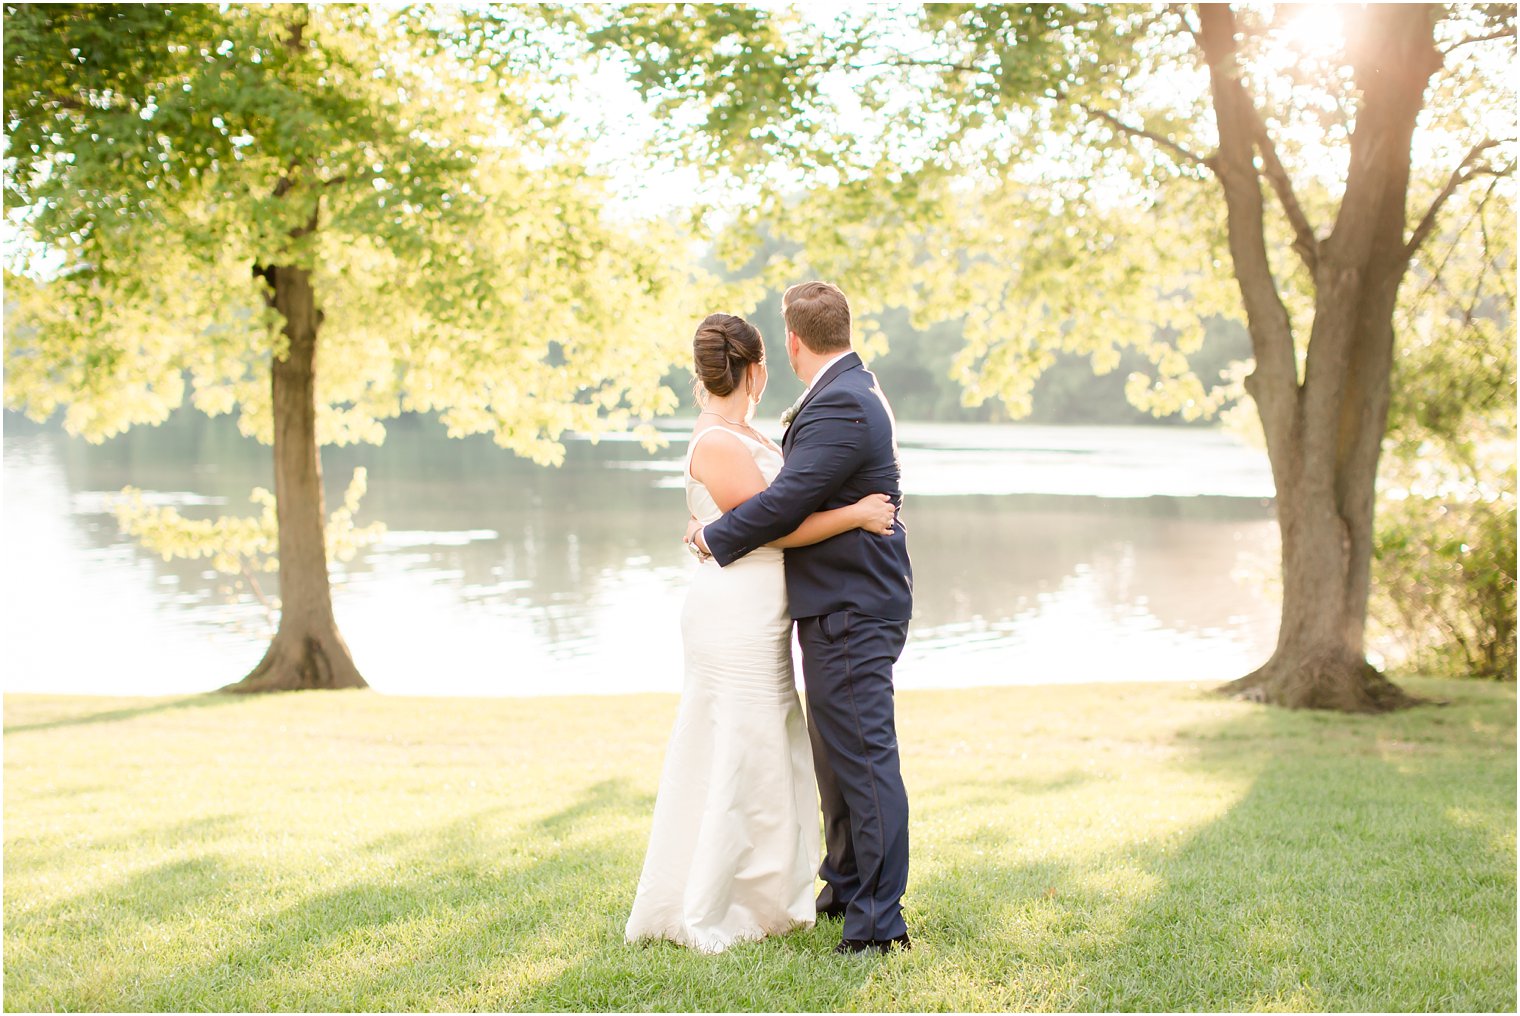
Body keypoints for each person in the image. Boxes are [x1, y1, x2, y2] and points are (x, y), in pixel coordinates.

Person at [625, 311, 898, 954]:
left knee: (768, 749)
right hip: (734, 615)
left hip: (764, 609)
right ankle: (717, 901)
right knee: (736, 749)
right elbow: (772, 525)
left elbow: (780, 505)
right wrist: (856, 513)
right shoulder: (719, 441)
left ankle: (769, 894)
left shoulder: (746, 432)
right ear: (757, 369)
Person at [689, 281, 914, 956]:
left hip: (852, 604)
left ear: (791, 342)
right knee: (841, 763)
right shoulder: (846, 391)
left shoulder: (843, 400)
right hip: (834, 604)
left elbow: (786, 501)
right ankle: (845, 892)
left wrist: (714, 536)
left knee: (865, 763)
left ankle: (879, 924)